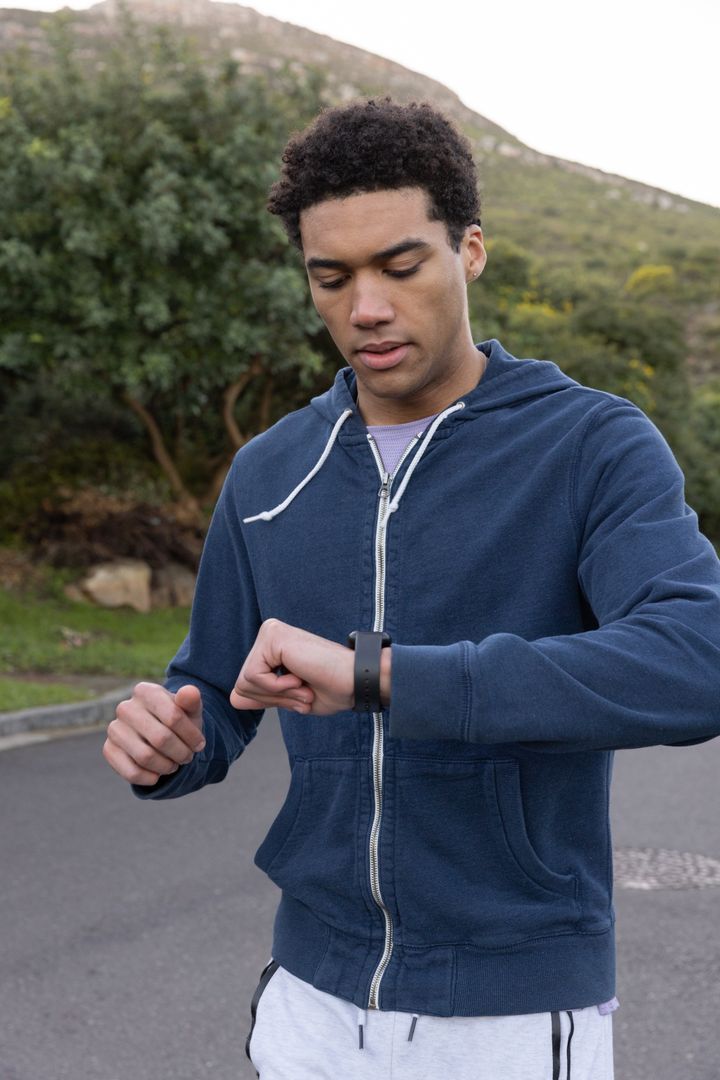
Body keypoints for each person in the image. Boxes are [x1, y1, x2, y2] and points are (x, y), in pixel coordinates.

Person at [103, 99, 720, 1079]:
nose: (367, 309)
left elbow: (697, 664)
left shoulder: (591, 445)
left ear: (468, 250)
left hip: (511, 1018)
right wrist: (170, 743)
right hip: (309, 1004)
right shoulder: (269, 475)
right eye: (331, 278)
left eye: (400, 266)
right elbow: (213, 694)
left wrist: (381, 673)